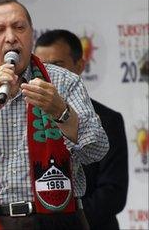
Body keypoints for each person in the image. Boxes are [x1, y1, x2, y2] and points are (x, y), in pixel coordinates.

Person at [0, 0, 109, 230]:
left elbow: (97, 149)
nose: (11, 37)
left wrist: (61, 111)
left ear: (31, 34)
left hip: (59, 221)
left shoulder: (64, 81)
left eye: (19, 28)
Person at [34, 29, 129, 230]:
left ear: (79, 66)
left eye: (57, 65)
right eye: (42, 66)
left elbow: (113, 193)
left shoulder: (108, 120)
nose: (49, 73)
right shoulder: (23, 120)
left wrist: (68, 221)